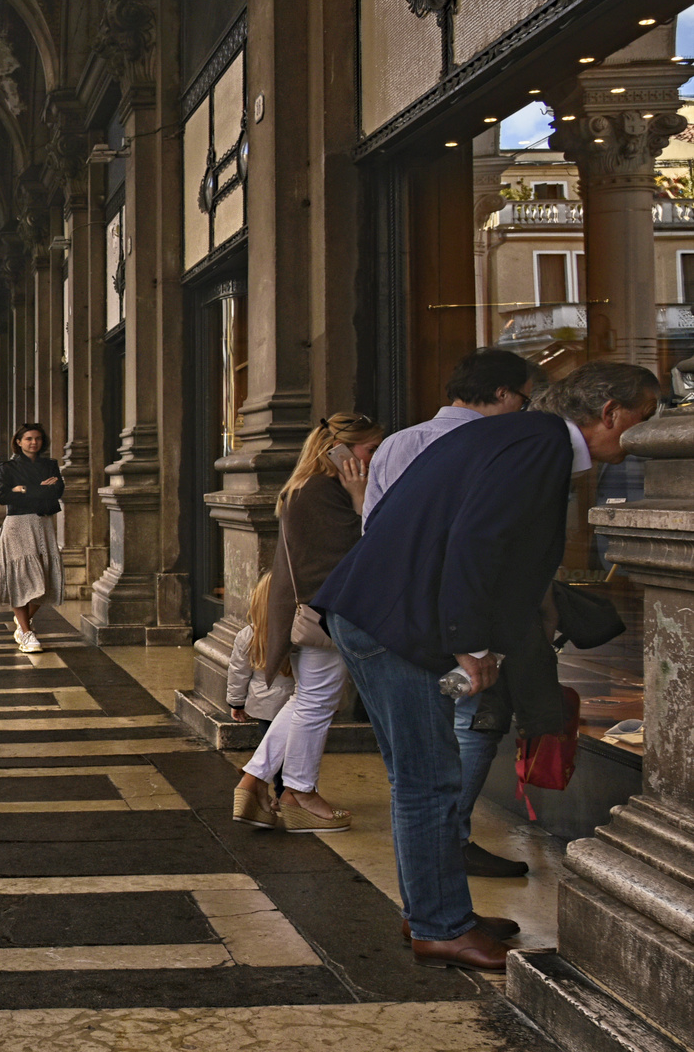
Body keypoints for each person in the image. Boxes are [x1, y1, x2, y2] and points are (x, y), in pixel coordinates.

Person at [314, 361, 659, 972]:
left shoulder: (522, 435)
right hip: (396, 625)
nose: (643, 436)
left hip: (375, 614)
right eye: (644, 420)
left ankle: (436, 909)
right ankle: (440, 926)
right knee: (429, 782)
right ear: (610, 412)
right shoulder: (540, 445)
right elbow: (480, 541)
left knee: (420, 779)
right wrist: (468, 644)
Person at [362, 348, 538, 879]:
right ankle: (447, 848)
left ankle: (433, 861)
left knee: (416, 756)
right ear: (503, 394)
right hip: (461, 614)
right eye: (523, 401)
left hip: (397, 614)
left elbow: (376, 530)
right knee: (471, 723)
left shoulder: (397, 444)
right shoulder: (498, 448)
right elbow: (483, 543)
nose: (524, 412)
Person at [232, 412, 383, 834]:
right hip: (327, 613)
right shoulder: (320, 492)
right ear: (338, 450)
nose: (375, 457)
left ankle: (253, 780)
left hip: (318, 611)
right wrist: (360, 499)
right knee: (316, 703)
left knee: (308, 699)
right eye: (370, 448)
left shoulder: (306, 488)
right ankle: (299, 792)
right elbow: (359, 552)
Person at [0, 422, 64, 654]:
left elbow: (57, 491)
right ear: (18, 441)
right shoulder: (8, 467)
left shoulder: (50, 465)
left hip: (43, 523)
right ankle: (26, 632)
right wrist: (38, 489)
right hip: (18, 525)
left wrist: (23, 490)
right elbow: (3, 497)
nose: (34, 443)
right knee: (20, 577)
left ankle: (23, 622)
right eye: (29, 439)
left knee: (44, 579)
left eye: (38, 439)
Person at [227, 572, 295, 797]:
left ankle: (278, 794)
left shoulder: (248, 635)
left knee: (273, 751)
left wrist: (236, 703)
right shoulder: (299, 634)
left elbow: (239, 672)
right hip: (294, 703)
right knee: (297, 750)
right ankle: (293, 794)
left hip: (265, 705)